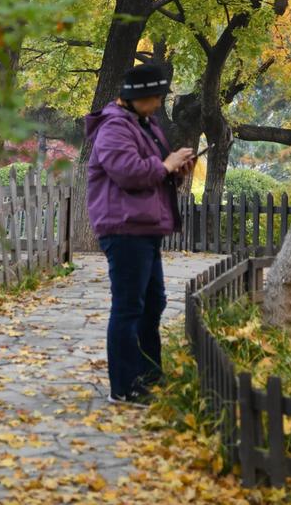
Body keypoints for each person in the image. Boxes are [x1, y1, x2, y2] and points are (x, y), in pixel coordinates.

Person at [85, 63, 195, 406]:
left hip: (144, 226)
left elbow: (157, 170)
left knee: (153, 303)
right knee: (130, 307)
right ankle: (125, 386)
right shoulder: (113, 127)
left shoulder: (145, 125)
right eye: (156, 97)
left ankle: (149, 377)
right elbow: (128, 172)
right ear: (138, 97)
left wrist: (175, 170)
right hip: (124, 227)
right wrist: (165, 164)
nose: (160, 103)